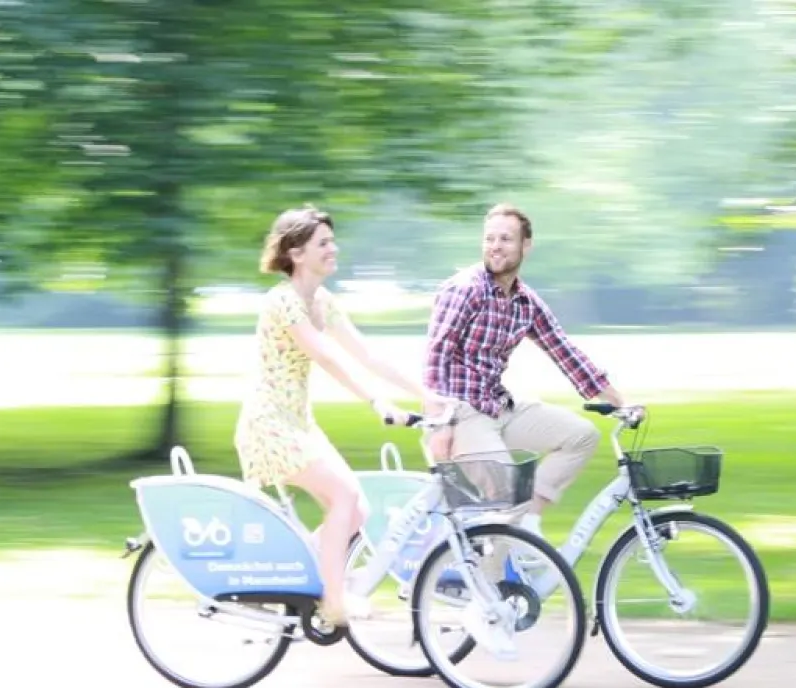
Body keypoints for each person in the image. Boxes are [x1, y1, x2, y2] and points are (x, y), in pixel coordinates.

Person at [235, 203, 441, 626]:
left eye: (332, 240)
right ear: (296, 253)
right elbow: (327, 356)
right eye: (323, 243)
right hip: (268, 424)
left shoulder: (322, 300)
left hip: (296, 422)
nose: (334, 248)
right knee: (344, 498)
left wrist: (426, 394)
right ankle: (332, 603)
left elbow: (366, 353)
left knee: (357, 510)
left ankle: (283, 578)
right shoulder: (283, 302)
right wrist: (377, 402)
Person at [423, 203, 625, 542]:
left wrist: (619, 400)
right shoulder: (465, 289)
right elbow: (435, 356)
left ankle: (528, 519)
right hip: (459, 414)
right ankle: (487, 592)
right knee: (507, 492)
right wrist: (438, 424)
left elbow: (563, 350)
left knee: (581, 436)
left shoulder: (525, 302)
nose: (495, 246)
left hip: (499, 406)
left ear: (525, 246)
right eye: (489, 239)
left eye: (505, 239)